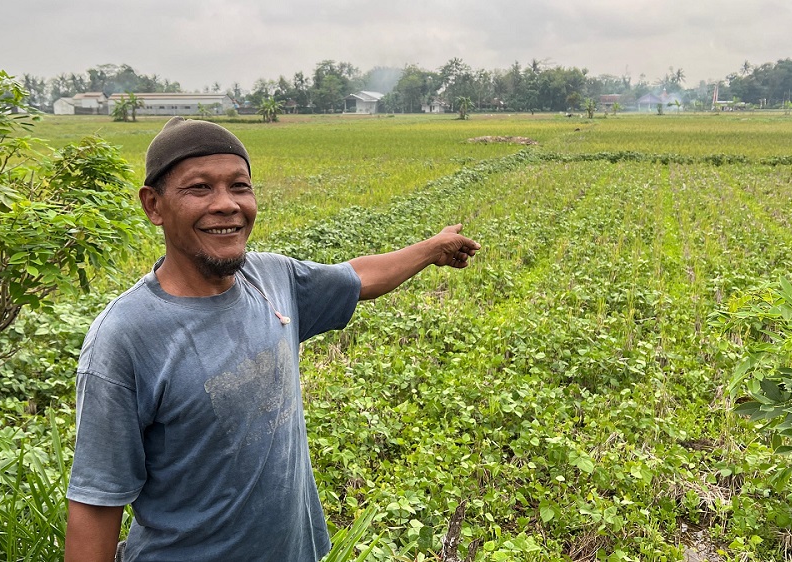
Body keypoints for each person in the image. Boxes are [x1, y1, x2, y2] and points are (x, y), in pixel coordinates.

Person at [65, 117, 480, 562]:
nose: (226, 204)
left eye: (239, 186)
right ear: (154, 205)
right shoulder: (125, 337)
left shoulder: (271, 278)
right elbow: (95, 504)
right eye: (199, 188)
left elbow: (357, 278)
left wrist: (432, 249)